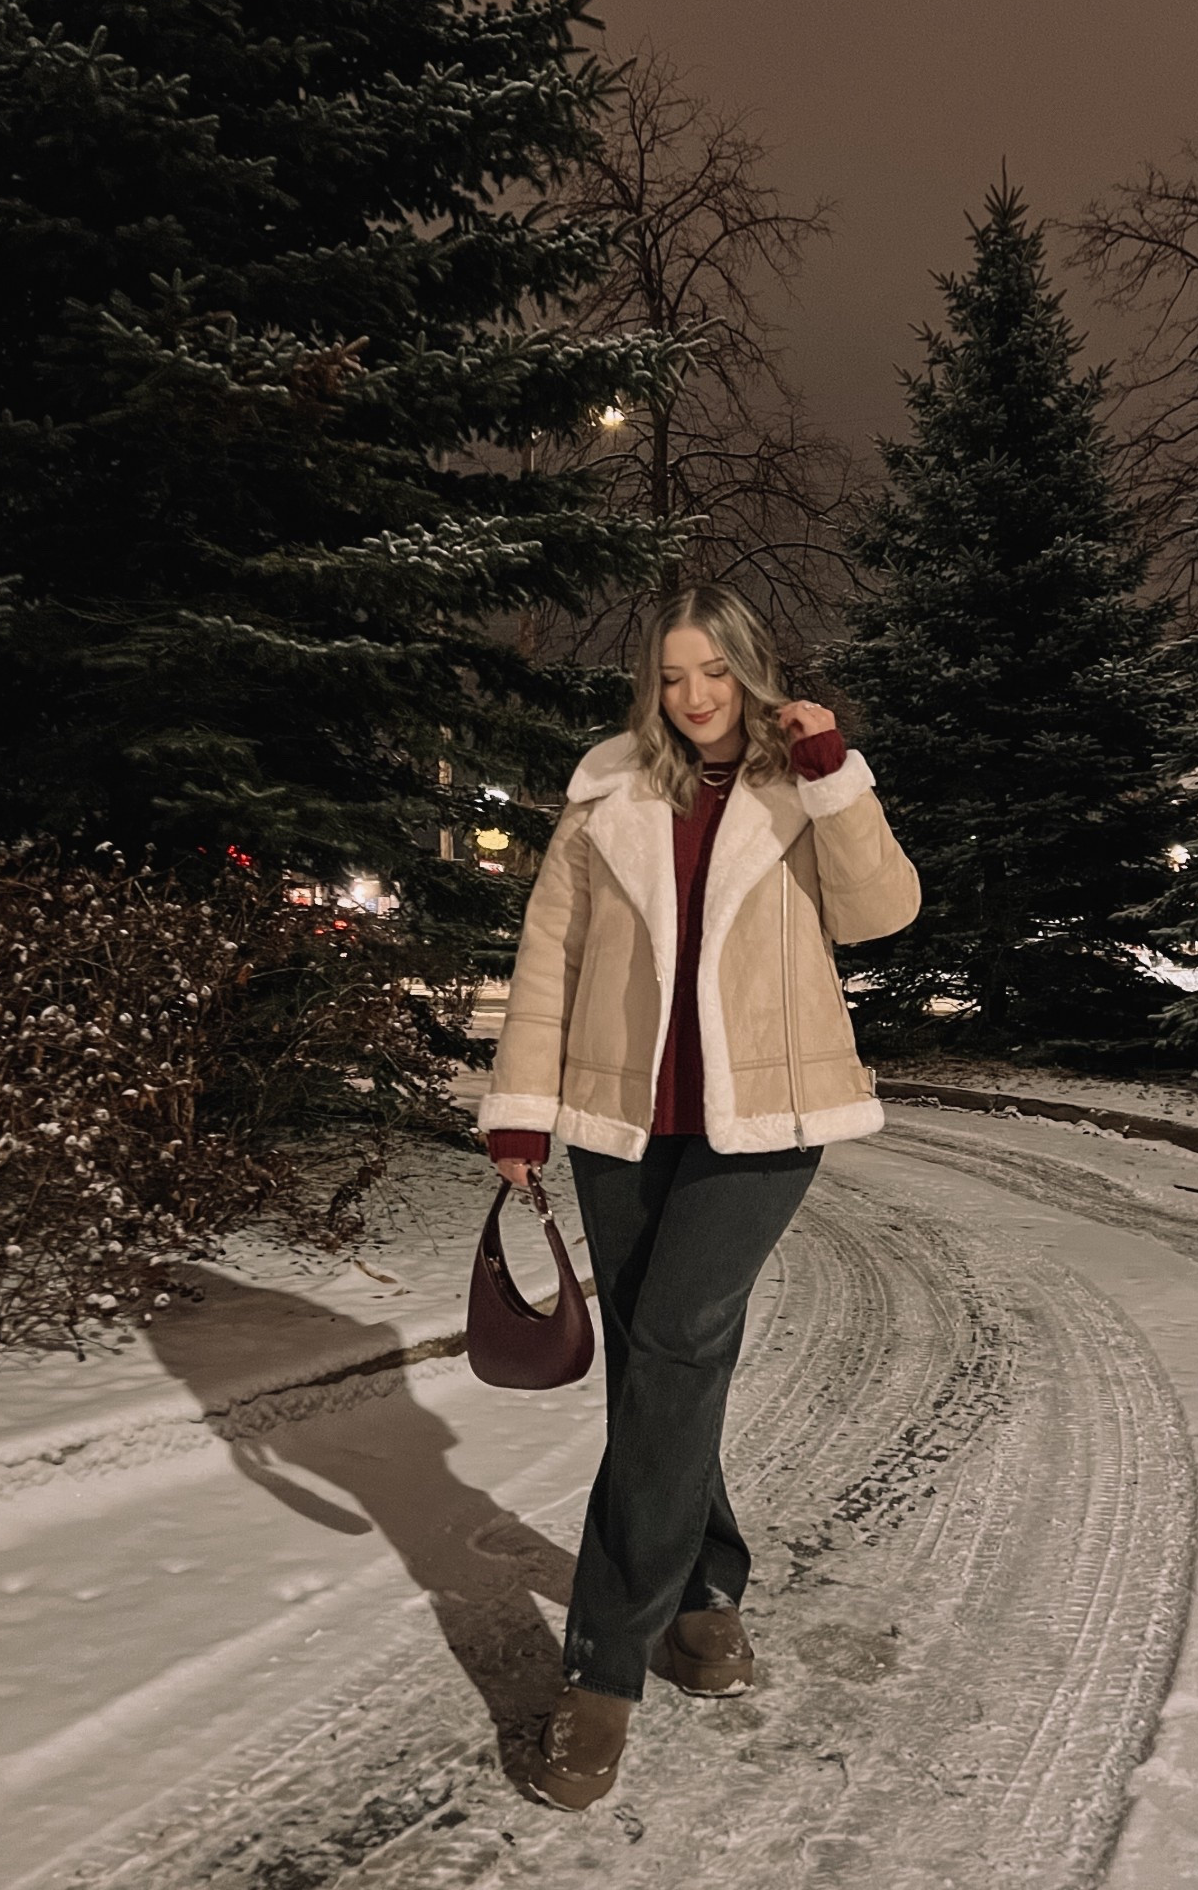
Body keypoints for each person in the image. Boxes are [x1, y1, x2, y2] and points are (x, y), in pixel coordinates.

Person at [477, 582, 923, 1811]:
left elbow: (885, 912)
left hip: (767, 1124)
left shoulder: (802, 775)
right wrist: (520, 1105)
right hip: (620, 1121)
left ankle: (603, 1662)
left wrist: (835, 773)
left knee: (674, 1338)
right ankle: (707, 1587)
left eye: (713, 673)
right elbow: (550, 952)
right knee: (654, 1362)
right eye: (672, 676)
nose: (693, 698)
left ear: (749, 667)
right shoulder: (606, 788)